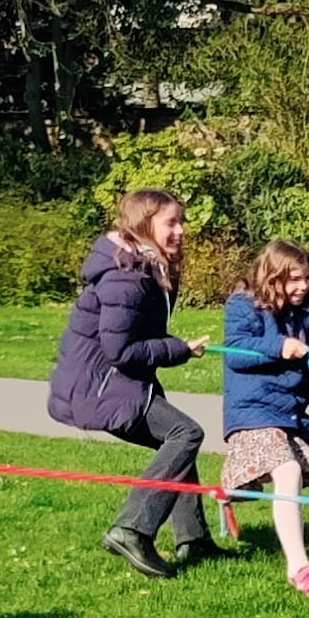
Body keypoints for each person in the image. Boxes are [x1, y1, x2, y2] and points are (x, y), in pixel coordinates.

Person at [47, 190, 209, 580]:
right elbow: (122, 351)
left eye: (180, 221)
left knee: (176, 440)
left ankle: (195, 540)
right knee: (185, 435)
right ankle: (131, 528)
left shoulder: (144, 266)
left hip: (116, 382)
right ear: (143, 225)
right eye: (171, 222)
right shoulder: (127, 276)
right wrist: (179, 349)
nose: (180, 230)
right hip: (103, 386)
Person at [220, 237, 309, 602]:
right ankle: (298, 567)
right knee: (288, 471)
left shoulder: (307, 319)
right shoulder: (243, 304)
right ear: (273, 277)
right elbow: (235, 352)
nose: (302, 286)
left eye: (306, 278)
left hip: (292, 416)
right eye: (294, 279)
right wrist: (278, 347)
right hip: (252, 415)